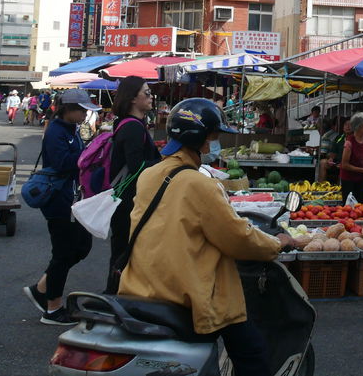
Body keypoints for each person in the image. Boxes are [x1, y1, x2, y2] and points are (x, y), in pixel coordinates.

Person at [117, 98, 300, 376]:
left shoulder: (149, 175)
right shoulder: (200, 184)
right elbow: (238, 238)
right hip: (187, 290)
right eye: (213, 138)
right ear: (199, 138)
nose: (214, 145)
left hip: (143, 284)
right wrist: (277, 243)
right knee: (252, 353)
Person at [22, 88, 99, 325]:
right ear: (69, 110)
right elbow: (62, 163)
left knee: (81, 246)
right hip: (57, 198)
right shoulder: (56, 130)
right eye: (83, 110)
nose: (86, 114)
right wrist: (88, 156)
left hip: (70, 197)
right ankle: (53, 309)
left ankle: (41, 288)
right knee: (63, 251)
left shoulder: (70, 129)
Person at [104, 76, 161, 294]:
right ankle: (112, 299)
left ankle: (114, 297)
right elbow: (137, 166)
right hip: (128, 200)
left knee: (122, 251)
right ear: (132, 98)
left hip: (125, 198)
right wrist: (166, 161)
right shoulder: (133, 128)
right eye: (146, 93)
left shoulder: (129, 124)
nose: (151, 97)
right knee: (123, 253)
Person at [340, 112, 363, 203]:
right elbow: (344, 165)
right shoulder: (349, 143)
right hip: (348, 179)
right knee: (349, 205)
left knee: (362, 203)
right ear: (359, 127)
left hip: (361, 178)